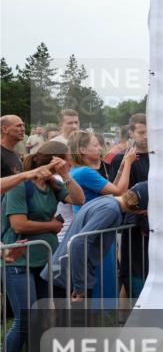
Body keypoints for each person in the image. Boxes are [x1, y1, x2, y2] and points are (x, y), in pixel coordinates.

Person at [2, 143, 84, 352]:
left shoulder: (53, 184)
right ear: (53, 160)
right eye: (66, 161)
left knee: (40, 318)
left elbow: (79, 199)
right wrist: (51, 225)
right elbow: (19, 223)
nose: (69, 163)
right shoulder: (20, 186)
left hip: (44, 259)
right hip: (18, 261)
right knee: (25, 318)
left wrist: (66, 176)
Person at [43, 182, 148, 302]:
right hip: (68, 277)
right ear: (142, 212)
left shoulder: (107, 200)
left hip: (64, 271)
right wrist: (80, 286)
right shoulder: (111, 210)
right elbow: (79, 243)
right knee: (73, 320)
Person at [110, 113, 150, 298]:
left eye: (149, 131)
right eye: (141, 132)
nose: (146, 136)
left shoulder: (158, 156)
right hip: (133, 225)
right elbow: (118, 192)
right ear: (132, 133)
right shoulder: (122, 159)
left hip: (156, 223)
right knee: (134, 272)